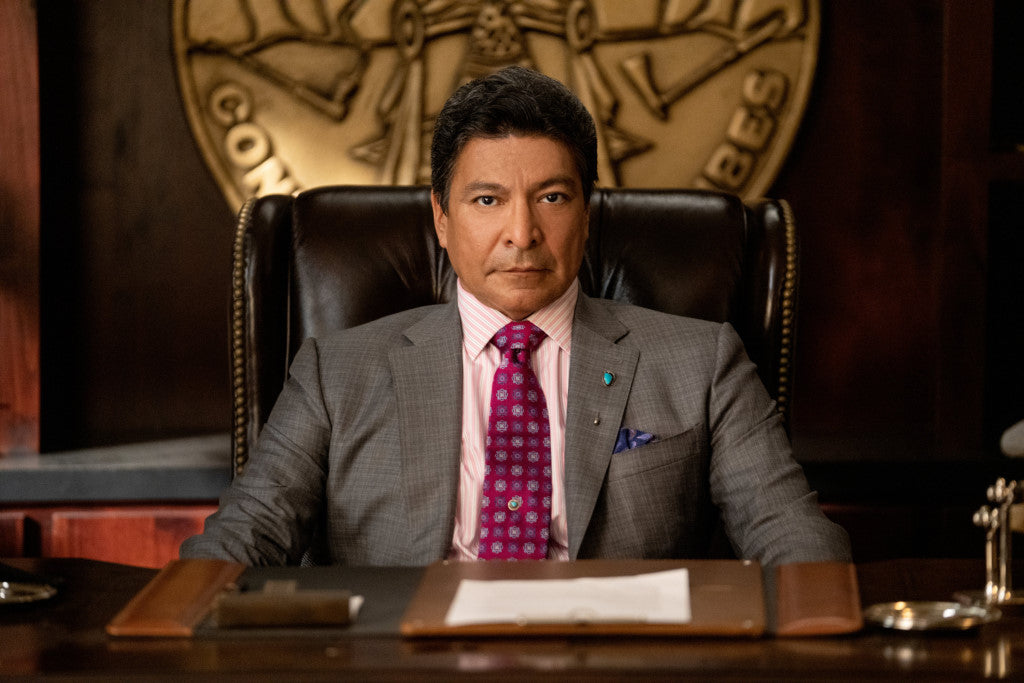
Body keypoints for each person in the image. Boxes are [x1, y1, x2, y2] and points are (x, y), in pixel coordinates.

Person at [181, 66, 850, 566]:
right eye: (487, 200)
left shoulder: (702, 361)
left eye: (552, 196)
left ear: (586, 216)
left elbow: (795, 537)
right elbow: (244, 537)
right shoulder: (337, 371)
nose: (522, 232)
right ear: (441, 219)